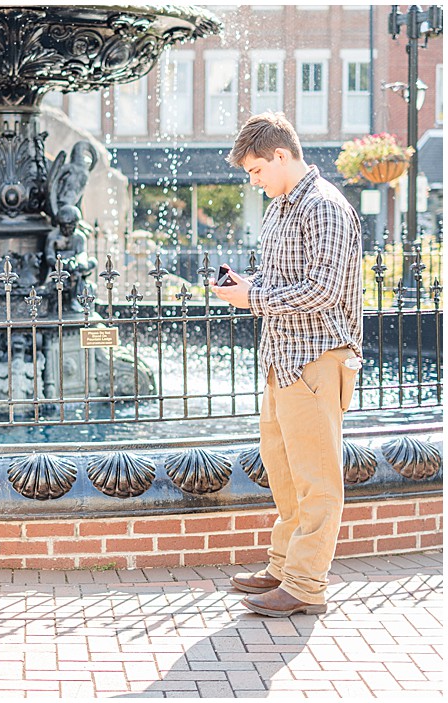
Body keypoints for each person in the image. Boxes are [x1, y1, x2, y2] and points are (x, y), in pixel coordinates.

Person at [212, 112, 362, 617]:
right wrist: (247, 284)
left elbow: (324, 289)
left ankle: (305, 586)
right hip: (285, 358)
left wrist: (254, 298)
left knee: (317, 479)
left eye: (256, 170)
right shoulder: (282, 207)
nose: (252, 181)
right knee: (284, 471)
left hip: (318, 359)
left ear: (281, 156)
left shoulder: (324, 208)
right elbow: (283, 278)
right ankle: (283, 566)